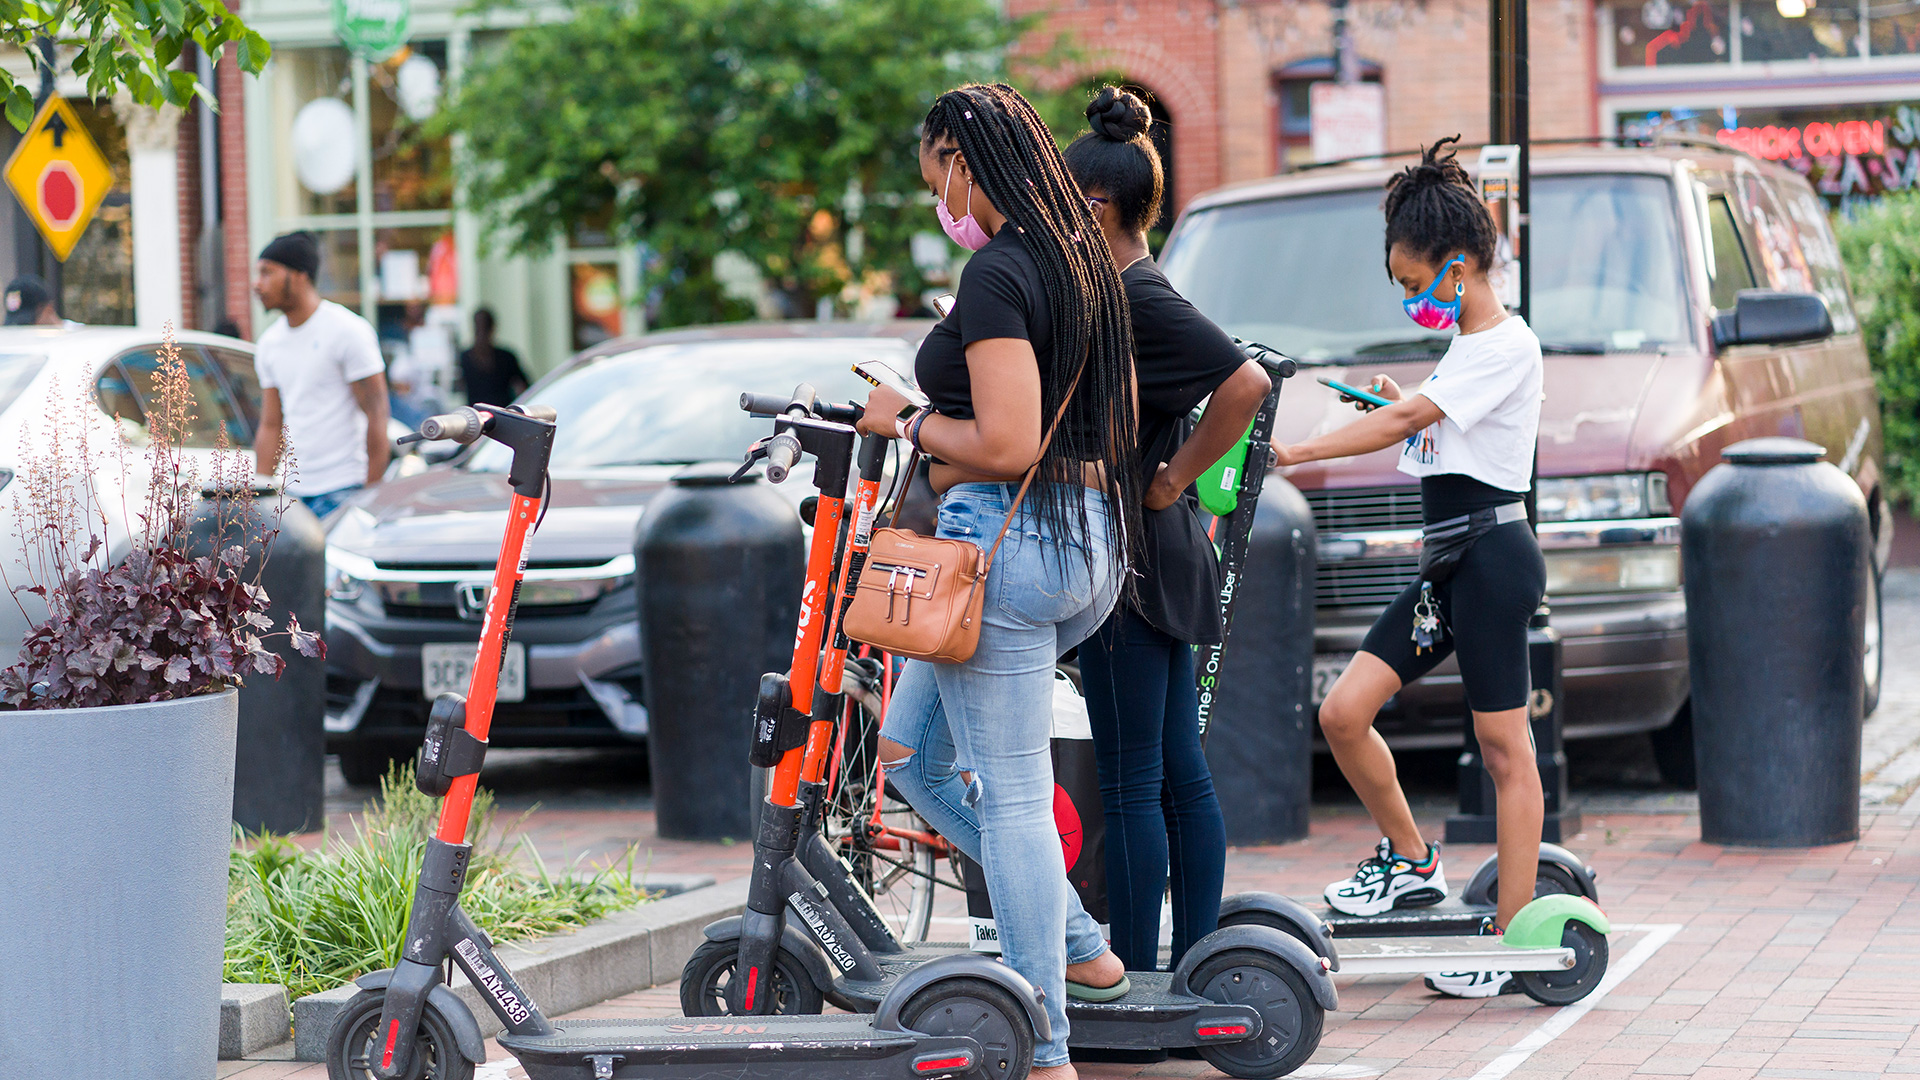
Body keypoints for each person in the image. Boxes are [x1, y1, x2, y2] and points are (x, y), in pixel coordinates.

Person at [854, 83, 1140, 1080]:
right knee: (909, 754)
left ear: (965, 164)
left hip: (997, 553)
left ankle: (1042, 1046)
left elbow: (1008, 440)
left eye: (937, 173)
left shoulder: (999, 274)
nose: (938, 195)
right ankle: (1081, 943)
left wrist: (906, 418)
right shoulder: (1086, 266)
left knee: (1012, 795)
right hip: (1085, 543)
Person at [1271, 136, 1545, 998]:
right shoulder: (1465, 350)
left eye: (1410, 281)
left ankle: (1509, 940)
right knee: (1345, 712)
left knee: (1506, 751)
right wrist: (1405, 409)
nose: (1406, 298)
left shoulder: (1504, 344)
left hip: (1493, 561)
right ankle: (1414, 858)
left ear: (1456, 269)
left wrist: (1303, 449)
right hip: (1450, 565)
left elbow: (1407, 430)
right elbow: (1426, 428)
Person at [1061, 87, 1272, 974]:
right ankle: (1194, 967)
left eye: (1063, 206)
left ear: (1096, 207)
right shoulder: (1125, 293)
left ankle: (1144, 977)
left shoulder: (1137, 297)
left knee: (1132, 781)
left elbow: (1248, 382)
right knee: (1175, 774)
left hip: (1140, 560)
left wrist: (1171, 478)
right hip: (1163, 557)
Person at [252, 232, 392, 519]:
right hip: (291, 496)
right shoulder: (269, 343)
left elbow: (377, 415)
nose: (258, 284)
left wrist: (371, 495)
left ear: (299, 275)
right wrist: (258, 496)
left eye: (268, 273)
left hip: (344, 490)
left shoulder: (347, 331)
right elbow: (270, 425)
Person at [459, 307, 529, 407]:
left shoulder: (507, 358)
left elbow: (523, 387)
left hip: (499, 414)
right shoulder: (464, 358)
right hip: (486, 415)